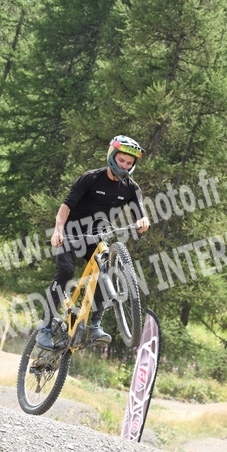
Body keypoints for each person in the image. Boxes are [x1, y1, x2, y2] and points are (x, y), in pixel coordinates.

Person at [37, 135, 150, 350]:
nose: (124, 166)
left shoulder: (131, 188)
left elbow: (140, 213)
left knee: (105, 272)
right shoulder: (90, 179)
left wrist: (143, 220)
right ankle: (45, 328)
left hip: (97, 237)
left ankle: (95, 325)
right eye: (121, 160)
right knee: (65, 272)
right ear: (112, 157)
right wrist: (58, 230)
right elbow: (65, 207)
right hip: (72, 234)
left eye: (129, 163)